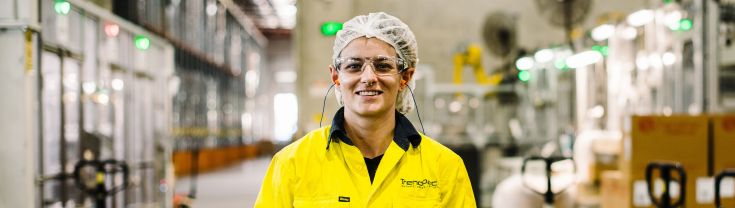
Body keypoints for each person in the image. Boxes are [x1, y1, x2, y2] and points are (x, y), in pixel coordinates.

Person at [255, 12, 475, 207]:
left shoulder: (445, 167)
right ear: (336, 76)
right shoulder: (291, 164)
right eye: (353, 66)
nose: (369, 77)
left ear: (405, 77)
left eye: (382, 66)